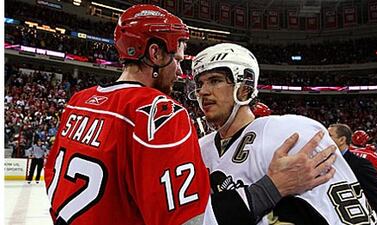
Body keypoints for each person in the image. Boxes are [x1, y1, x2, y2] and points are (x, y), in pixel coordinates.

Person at [44, 5, 336, 225]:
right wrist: (272, 188)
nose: (180, 71)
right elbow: (191, 222)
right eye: (178, 59)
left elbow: (52, 177)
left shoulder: (79, 102)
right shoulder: (158, 111)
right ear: (155, 54)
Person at [190, 43, 375, 225]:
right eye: (200, 84)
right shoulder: (198, 148)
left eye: (215, 80)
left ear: (245, 87)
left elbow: (349, 215)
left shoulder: (290, 132)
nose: (203, 92)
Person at [328, 124, 377, 225]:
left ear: (342, 140)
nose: (324, 139)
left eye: (329, 135)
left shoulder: (360, 164)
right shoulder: (371, 155)